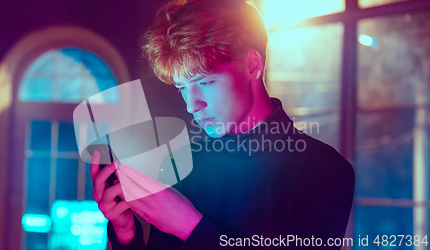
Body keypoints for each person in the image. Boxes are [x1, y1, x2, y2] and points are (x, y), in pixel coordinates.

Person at [90, 0, 355, 249]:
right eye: (182, 87)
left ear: (252, 65)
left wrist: (189, 226)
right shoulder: (184, 161)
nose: (192, 105)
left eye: (205, 82)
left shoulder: (325, 172)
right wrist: (126, 233)